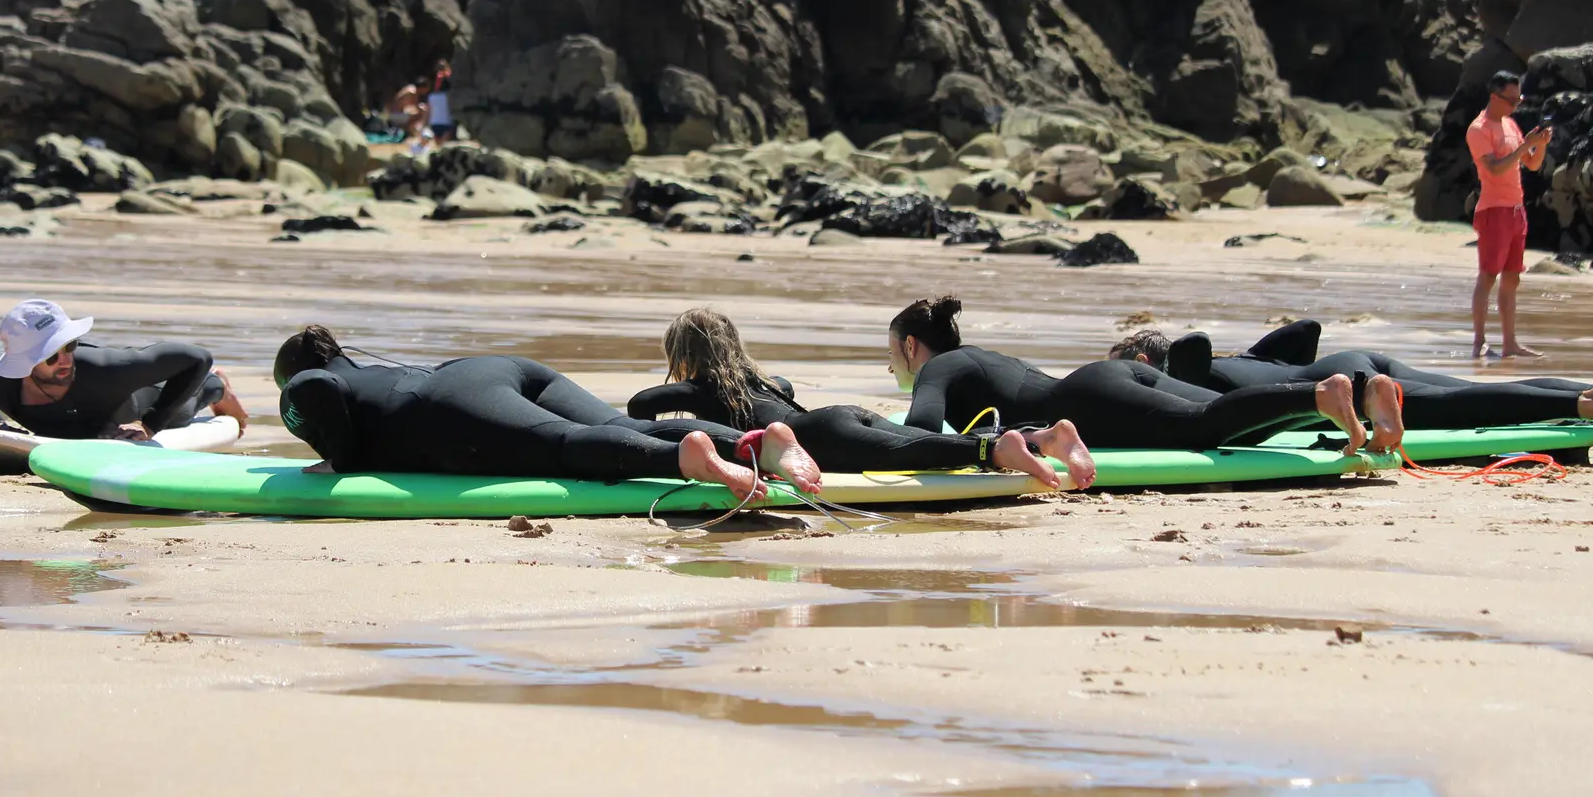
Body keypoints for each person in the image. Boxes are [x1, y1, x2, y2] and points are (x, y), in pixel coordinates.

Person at [273, 325, 821, 502]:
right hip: (487, 369)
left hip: (445, 406)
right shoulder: (363, 369)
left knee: (560, 447)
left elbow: (314, 387)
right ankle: (756, 443)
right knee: (616, 425)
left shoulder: (305, 379)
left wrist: (338, 460)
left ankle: (685, 459)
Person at [629, 308, 1095, 490]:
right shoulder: (767, 381)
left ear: (683, 356)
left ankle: (995, 448)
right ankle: (1041, 438)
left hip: (819, 435)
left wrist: (685, 390)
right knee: (913, 443)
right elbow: (787, 387)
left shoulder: (699, 389)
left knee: (908, 453)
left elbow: (639, 406)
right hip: (841, 417)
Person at [890, 297, 1406, 456]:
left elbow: (919, 428)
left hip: (1087, 401)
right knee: (1219, 421)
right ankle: (1360, 395)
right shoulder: (985, 357)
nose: (892, 366)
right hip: (1106, 377)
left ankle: (1325, 394)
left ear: (912, 346)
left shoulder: (937, 367)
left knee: (1201, 426)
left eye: (893, 354)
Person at [1110, 321, 1593, 462]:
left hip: (1353, 383)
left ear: (1143, 365)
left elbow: (1194, 349)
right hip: (1357, 357)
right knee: (1467, 393)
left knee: (1449, 412)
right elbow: (1306, 330)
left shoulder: (1188, 376)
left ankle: (1584, 403)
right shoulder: (1241, 362)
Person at [0, 299, 247, 440]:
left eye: (70, 346)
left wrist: (150, 424)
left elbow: (196, 357)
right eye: (51, 356)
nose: (65, 360)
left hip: (132, 405)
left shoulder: (108, 370)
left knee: (183, 411)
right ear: (24, 363)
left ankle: (218, 387)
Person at [1467, 71, 1551, 360]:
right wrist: (1525, 146)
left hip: (1517, 210)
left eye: (1519, 99)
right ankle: (1479, 342)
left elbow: (1532, 165)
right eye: (1511, 100)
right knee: (1488, 276)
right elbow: (1494, 168)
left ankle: (1510, 343)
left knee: (1512, 278)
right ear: (1494, 97)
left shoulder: (1510, 124)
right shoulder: (1479, 129)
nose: (1516, 105)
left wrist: (1538, 146)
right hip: (1493, 211)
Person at [426, 60, 454, 147]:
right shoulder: (448, 95)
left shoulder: (431, 96)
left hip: (434, 123)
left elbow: (429, 110)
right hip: (447, 122)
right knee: (444, 145)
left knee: (438, 146)